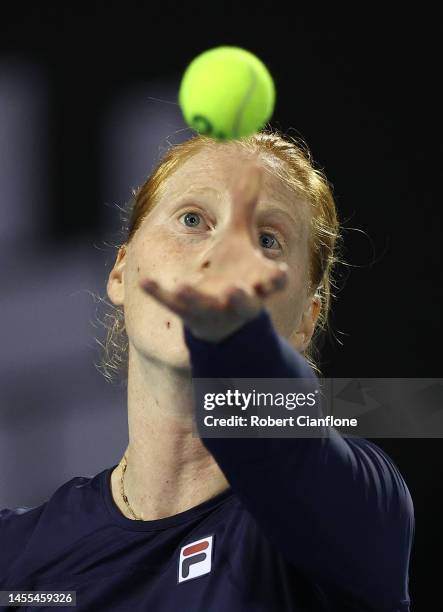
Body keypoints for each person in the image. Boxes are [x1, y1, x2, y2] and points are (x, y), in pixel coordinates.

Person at [0, 130, 414, 611]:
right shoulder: (15, 557)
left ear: (306, 319)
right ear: (121, 270)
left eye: (266, 240)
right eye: (193, 219)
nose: (220, 257)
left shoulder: (358, 511)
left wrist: (236, 337)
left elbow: (293, 446)